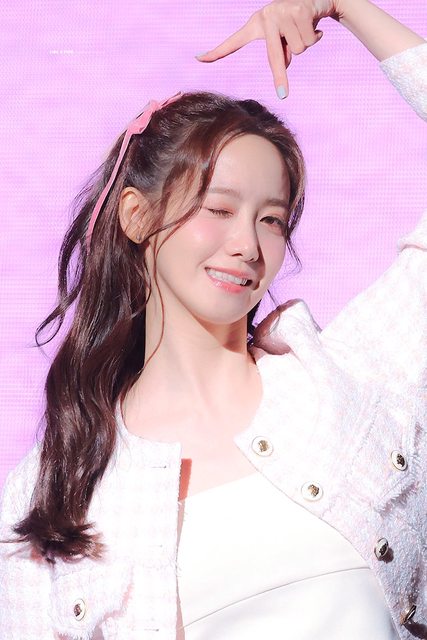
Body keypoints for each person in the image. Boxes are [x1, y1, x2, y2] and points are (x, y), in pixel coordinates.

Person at [0, 0, 425, 638]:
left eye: (272, 219)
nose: (248, 245)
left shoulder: (353, 378)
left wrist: (346, 6)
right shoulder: (56, 490)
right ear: (137, 216)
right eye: (218, 209)